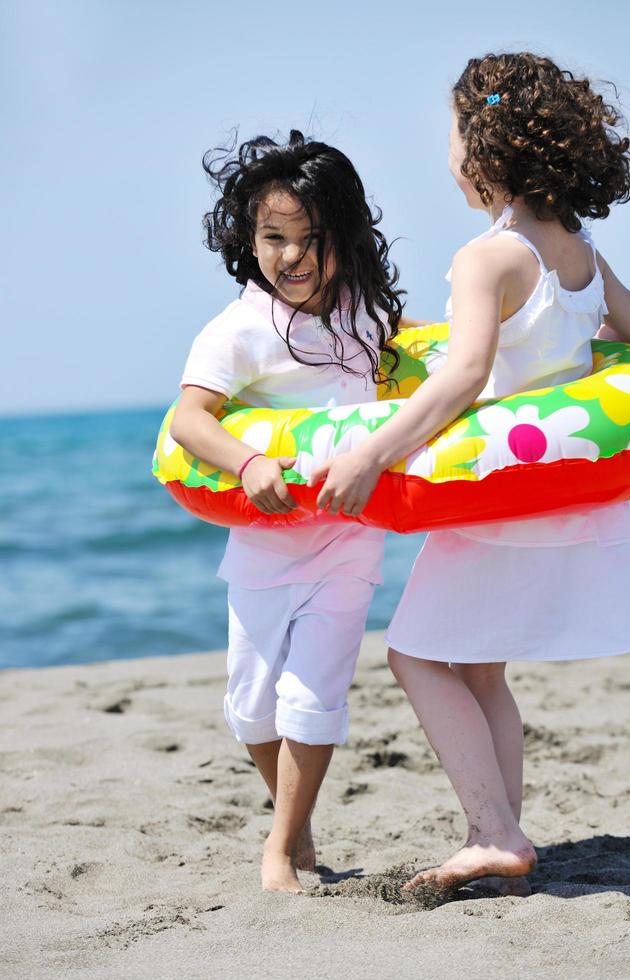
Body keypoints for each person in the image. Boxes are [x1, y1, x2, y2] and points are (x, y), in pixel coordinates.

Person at [309, 52, 630, 897]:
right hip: (559, 502)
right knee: (480, 669)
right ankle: (502, 828)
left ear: (482, 146)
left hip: (494, 506)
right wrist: (572, 360)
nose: (443, 152)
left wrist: (371, 452)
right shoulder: (579, 252)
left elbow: (466, 373)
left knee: (413, 656)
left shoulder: (489, 257)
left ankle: (494, 831)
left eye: (448, 132)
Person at [170, 130, 403, 893]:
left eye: (311, 238)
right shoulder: (237, 329)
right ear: (249, 239)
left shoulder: (365, 316)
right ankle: (295, 830)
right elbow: (189, 419)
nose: (293, 256)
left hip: (346, 539)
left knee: (313, 694)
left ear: (344, 238)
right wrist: (249, 460)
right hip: (264, 544)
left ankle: (278, 850)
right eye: (275, 237)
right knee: (251, 702)